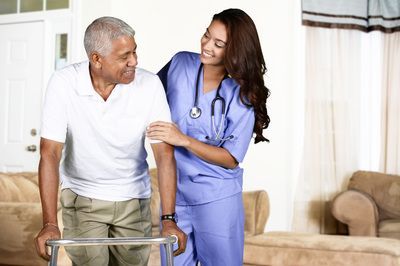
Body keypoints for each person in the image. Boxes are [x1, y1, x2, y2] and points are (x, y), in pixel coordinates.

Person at [34, 16, 186, 266]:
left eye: (135, 52)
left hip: (134, 200)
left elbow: (164, 155)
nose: (134, 62)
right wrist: (49, 224)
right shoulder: (64, 84)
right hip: (83, 198)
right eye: (125, 56)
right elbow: (49, 154)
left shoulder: (150, 85)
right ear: (96, 59)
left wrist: (169, 218)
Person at [146, 8, 270, 266]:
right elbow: (145, 97)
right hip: (175, 196)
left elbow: (231, 157)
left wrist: (184, 140)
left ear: (235, 50)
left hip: (216, 198)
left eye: (219, 43)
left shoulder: (244, 93)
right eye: (206, 35)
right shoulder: (180, 63)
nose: (207, 45)